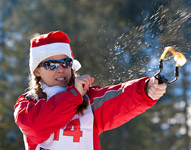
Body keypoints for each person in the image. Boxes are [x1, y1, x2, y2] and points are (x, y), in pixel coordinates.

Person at [14, 30, 167, 150]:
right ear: (37, 71)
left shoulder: (87, 99)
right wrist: (73, 95)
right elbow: (36, 127)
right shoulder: (28, 103)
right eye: (51, 65)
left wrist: (146, 89)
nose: (61, 69)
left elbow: (119, 98)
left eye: (66, 62)